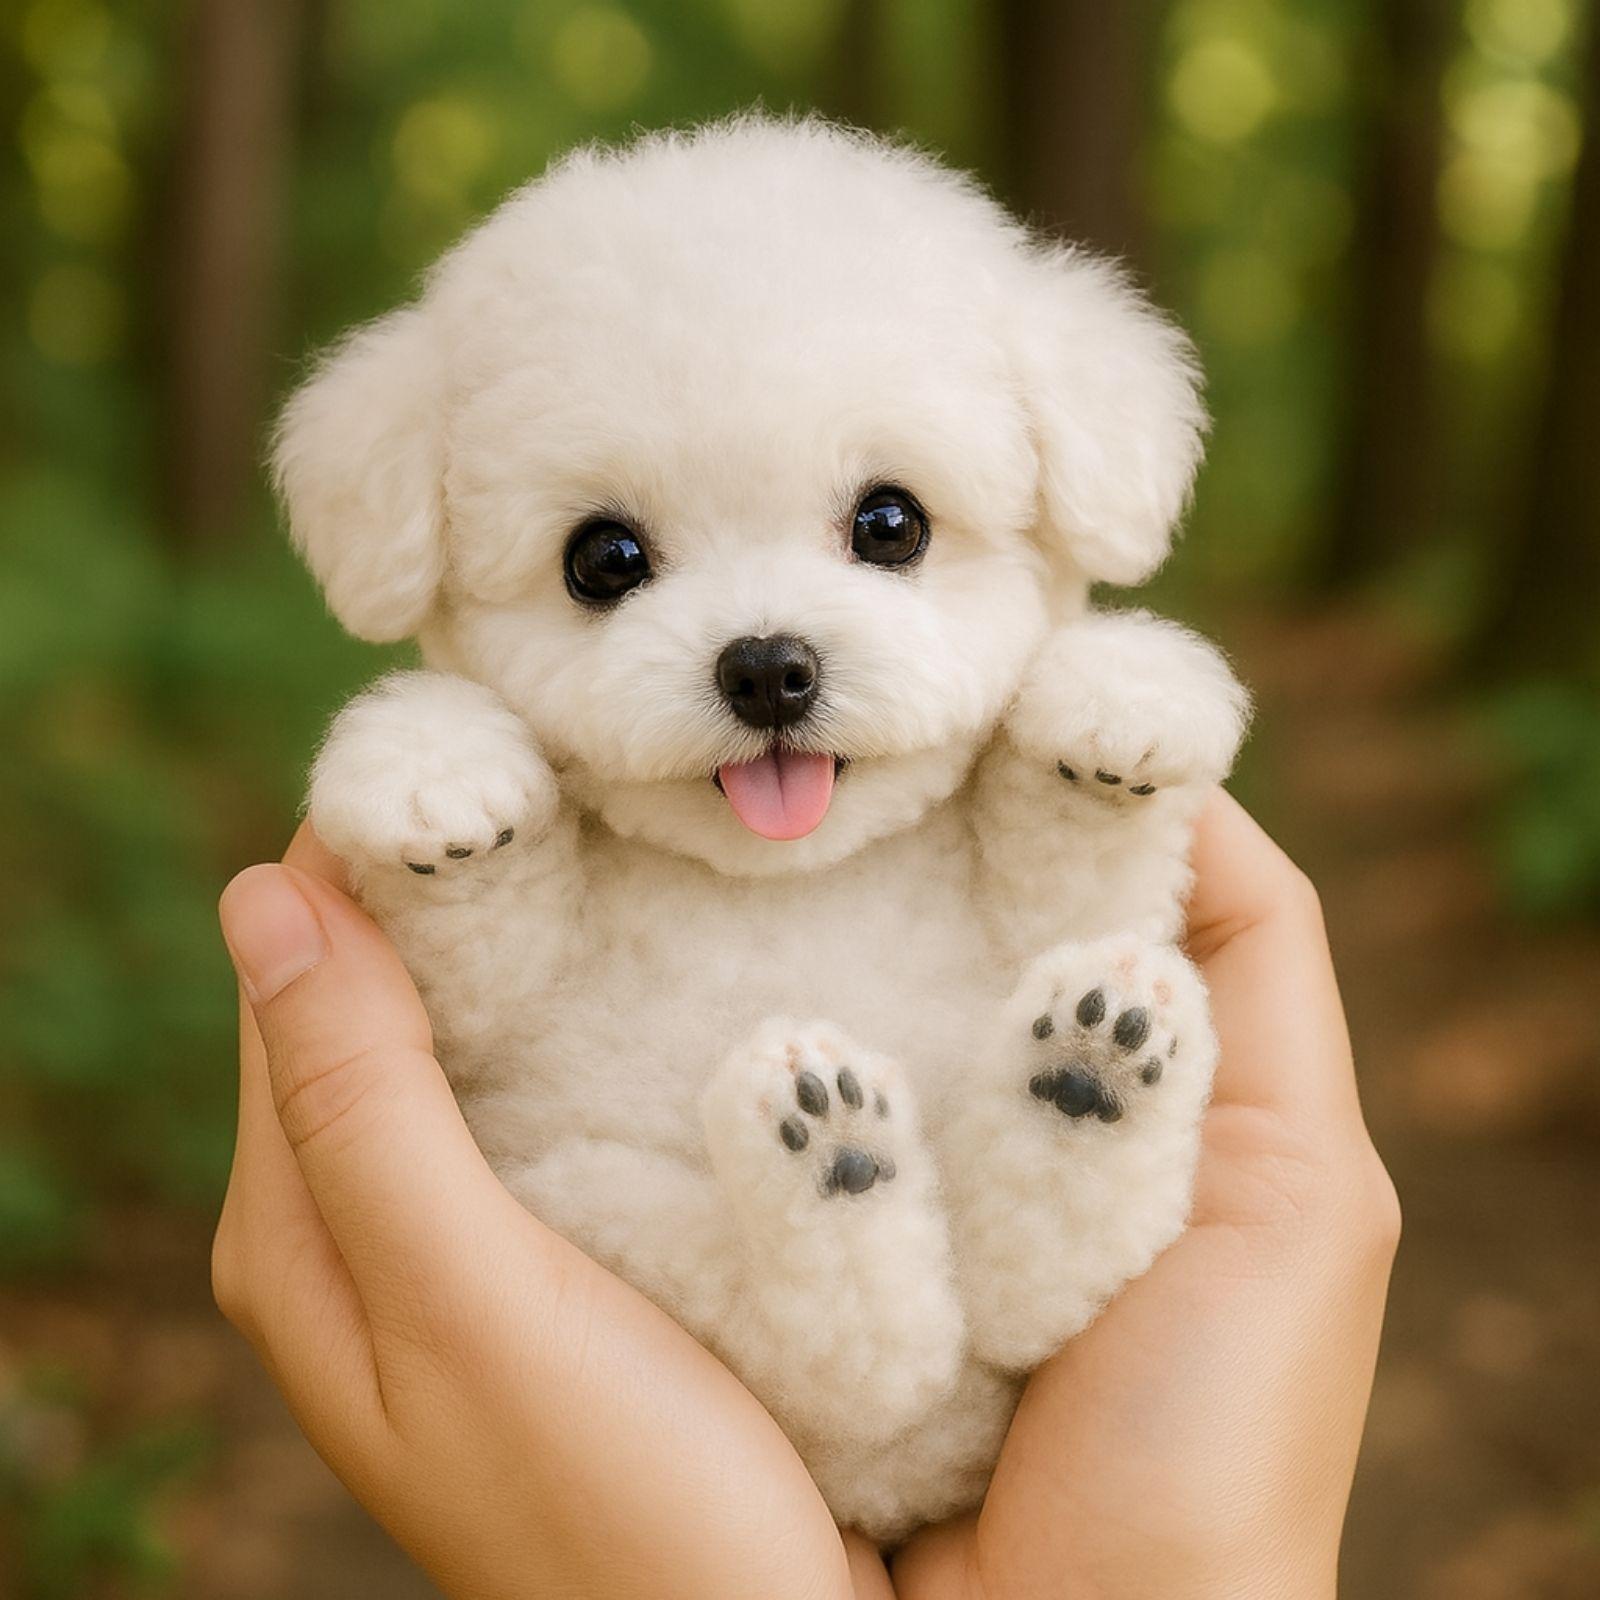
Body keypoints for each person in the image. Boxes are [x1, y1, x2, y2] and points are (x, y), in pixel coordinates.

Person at [213, 791, 1399, 1599]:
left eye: (886, 528)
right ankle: (949, 1204)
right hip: (874, 1339)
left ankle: (930, 1210)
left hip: (822, 1358)